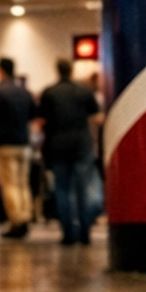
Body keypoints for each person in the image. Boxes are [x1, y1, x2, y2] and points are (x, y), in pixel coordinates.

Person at [36, 58, 101, 247]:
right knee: (82, 189)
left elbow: (41, 121)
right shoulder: (84, 91)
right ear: (71, 70)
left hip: (57, 144)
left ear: (57, 70)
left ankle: (68, 234)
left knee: (62, 190)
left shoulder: (49, 92)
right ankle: (85, 232)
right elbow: (97, 117)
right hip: (81, 144)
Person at [0, 58, 36, 240]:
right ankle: (26, 215)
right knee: (23, 183)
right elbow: (34, 118)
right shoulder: (25, 91)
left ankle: (17, 220)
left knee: (9, 184)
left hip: (5, 144)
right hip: (24, 144)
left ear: (0, 70)